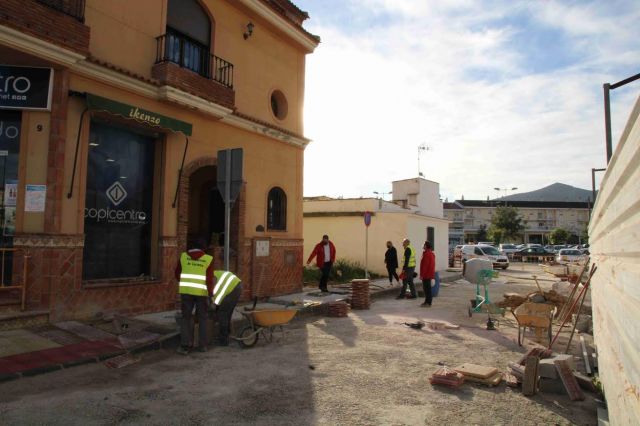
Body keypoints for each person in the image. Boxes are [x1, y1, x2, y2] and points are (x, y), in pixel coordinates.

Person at [175, 237, 214, 355]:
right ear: (204, 247)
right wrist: (210, 294)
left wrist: (185, 283)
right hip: (201, 293)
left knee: (186, 318)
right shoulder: (208, 259)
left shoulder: (183, 257)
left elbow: (177, 274)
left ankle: (185, 346)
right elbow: (209, 279)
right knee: (202, 318)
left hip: (186, 292)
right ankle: (203, 346)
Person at [211, 270, 243, 346]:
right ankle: (227, 335)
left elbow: (218, 296)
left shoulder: (211, 278)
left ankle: (223, 340)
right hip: (236, 286)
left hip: (232, 289)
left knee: (222, 314)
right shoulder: (213, 274)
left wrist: (214, 305)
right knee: (227, 313)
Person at [420, 241, 436, 307]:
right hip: (429, 274)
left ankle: (428, 302)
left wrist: (422, 275)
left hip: (426, 274)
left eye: (423, 244)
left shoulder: (426, 254)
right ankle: (427, 301)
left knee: (426, 289)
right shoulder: (431, 253)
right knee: (427, 289)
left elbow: (425, 266)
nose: (423, 245)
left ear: (426, 246)